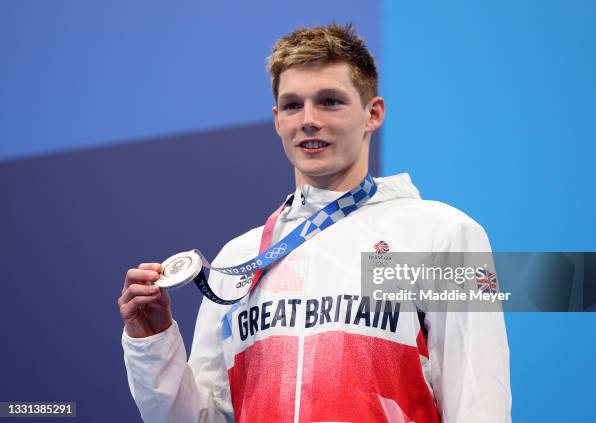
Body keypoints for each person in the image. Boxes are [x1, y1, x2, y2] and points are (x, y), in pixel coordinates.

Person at [118, 23, 512, 422]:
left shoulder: (443, 236)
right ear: (277, 120)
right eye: (292, 105)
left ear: (372, 113)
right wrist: (153, 342)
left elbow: (479, 402)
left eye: (329, 101)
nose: (308, 119)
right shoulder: (239, 259)